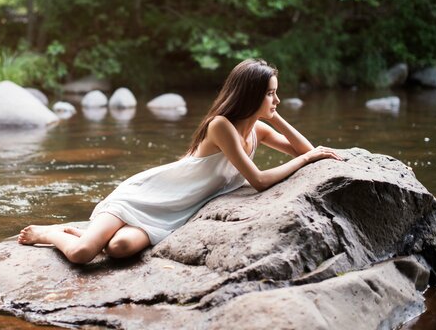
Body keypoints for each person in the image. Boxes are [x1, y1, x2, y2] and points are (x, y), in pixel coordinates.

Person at [18, 58, 342, 263]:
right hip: (147, 195)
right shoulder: (221, 126)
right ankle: (54, 233)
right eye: (271, 93)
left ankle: (87, 231)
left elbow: (305, 150)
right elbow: (259, 180)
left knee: (119, 250)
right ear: (250, 94)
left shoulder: (257, 128)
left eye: (276, 93)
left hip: (173, 212)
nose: (277, 99)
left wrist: (276, 117)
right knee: (83, 254)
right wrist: (309, 156)